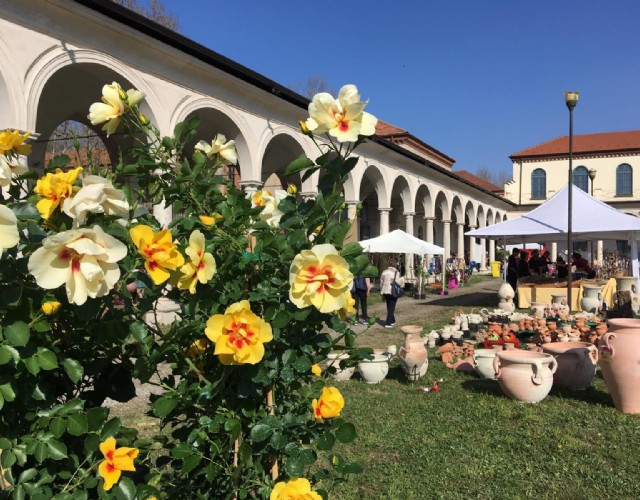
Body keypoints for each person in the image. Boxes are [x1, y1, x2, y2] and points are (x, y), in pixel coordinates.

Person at [380, 262, 405, 328]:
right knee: (391, 307)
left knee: (389, 306)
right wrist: (402, 280)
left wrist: (381, 292)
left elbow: (381, 282)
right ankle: (388, 323)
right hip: (392, 291)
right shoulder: (396, 272)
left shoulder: (384, 272)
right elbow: (397, 282)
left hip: (385, 291)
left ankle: (392, 321)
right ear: (395, 265)